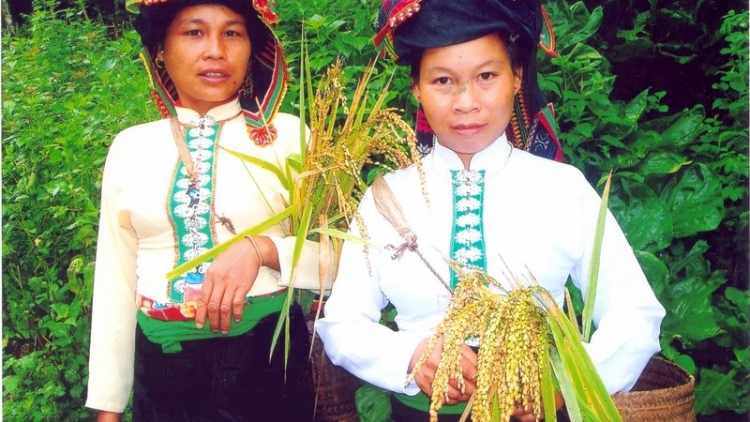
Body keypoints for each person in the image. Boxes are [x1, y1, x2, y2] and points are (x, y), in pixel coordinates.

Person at [315, 0, 666, 421]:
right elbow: (341, 324)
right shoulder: (388, 197)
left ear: (516, 78)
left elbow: (635, 312)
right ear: (416, 87)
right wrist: (411, 354)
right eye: (443, 80)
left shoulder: (563, 189)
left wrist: (564, 383)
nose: (466, 102)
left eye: (486, 76)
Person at [85, 0, 319, 420]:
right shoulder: (131, 147)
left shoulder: (288, 137)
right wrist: (109, 405)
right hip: (163, 374)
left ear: (253, 46)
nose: (215, 50)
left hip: (267, 367)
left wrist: (263, 249)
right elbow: (115, 281)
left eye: (232, 33)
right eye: (194, 32)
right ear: (160, 48)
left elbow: (341, 261)